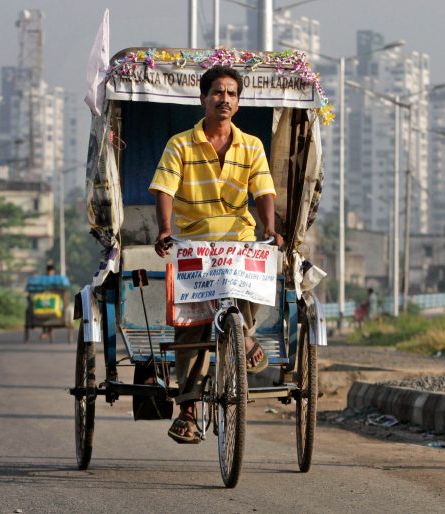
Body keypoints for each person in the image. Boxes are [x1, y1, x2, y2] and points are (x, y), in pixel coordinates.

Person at [149, 65, 283, 444]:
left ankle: (244, 334)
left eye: (232, 94)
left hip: (239, 240)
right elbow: (165, 189)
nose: (225, 99)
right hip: (195, 242)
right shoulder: (180, 144)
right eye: (218, 93)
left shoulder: (252, 145)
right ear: (204, 98)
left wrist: (270, 228)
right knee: (191, 325)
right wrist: (165, 229)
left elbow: (263, 191)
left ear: (238, 102)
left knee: (260, 270)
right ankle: (188, 408)